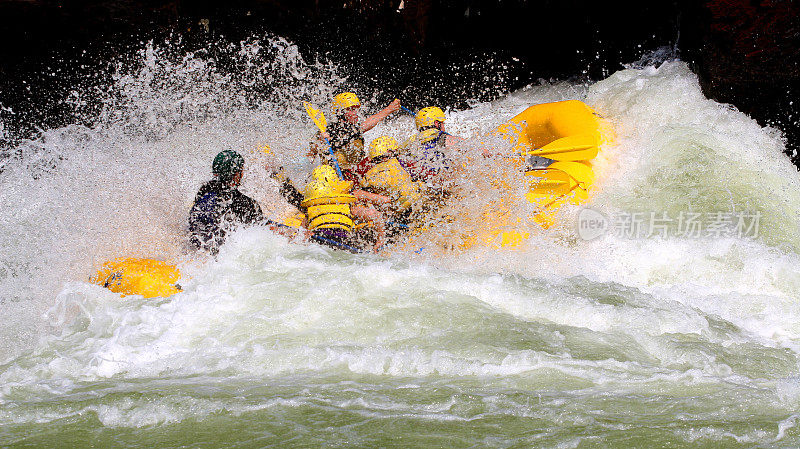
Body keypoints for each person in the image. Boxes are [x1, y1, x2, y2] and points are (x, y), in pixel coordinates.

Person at [188, 150, 277, 255]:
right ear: (236, 175)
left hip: (196, 247)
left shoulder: (203, 191)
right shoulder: (243, 203)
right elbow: (263, 228)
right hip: (221, 254)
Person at [310, 92, 401, 181]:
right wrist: (320, 141)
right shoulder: (332, 130)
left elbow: (362, 126)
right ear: (340, 112)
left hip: (355, 173)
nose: (355, 113)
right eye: (351, 110)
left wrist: (390, 109)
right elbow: (311, 154)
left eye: (356, 109)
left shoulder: (352, 128)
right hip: (338, 177)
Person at [301, 165, 386, 253]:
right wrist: (380, 240)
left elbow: (301, 234)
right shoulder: (346, 203)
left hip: (319, 238)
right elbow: (375, 215)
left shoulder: (309, 210)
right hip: (345, 239)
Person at [360, 136, 426, 227]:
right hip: (417, 200)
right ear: (389, 152)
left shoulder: (368, 176)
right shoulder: (401, 162)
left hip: (397, 211)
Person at [401, 106, 464, 182]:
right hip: (440, 181)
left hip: (418, 182)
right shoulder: (446, 138)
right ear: (437, 123)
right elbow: (474, 149)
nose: (444, 126)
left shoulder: (411, 141)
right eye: (442, 123)